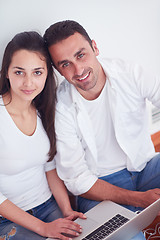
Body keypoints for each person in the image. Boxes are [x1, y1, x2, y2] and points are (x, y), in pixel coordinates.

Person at [43, 20, 160, 240]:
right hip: (101, 188)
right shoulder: (60, 107)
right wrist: (139, 199)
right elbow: (77, 179)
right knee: (126, 237)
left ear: (95, 47)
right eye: (65, 64)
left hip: (145, 167)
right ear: (58, 70)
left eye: (81, 55)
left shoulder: (130, 72)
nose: (78, 70)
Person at [0, 31, 86, 240]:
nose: (29, 83)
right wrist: (43, 228)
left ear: (47, 74)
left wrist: (66, 210)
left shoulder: (43, 111)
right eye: (19, 72)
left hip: (48, 206)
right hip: (8, 219)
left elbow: (49, 167)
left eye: (37, 72)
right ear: (6, 73)